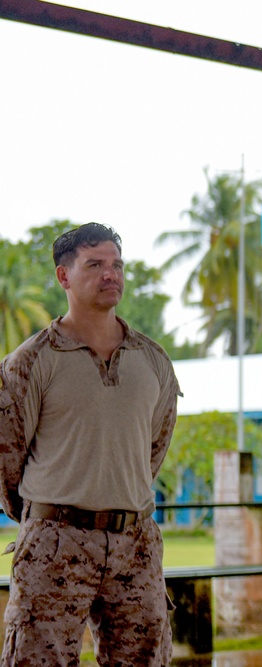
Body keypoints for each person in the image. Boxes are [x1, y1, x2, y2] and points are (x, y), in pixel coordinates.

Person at [0, 223, 180, 665]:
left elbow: (152, 447)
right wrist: (49, 511)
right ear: (64, 276)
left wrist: (118, 494)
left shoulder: (153, 360)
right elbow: (7, 456)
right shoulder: (31, 361)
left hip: (135, 542)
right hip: (55, 543)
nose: (110, 275)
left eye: (116, 265)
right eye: (95, 264)